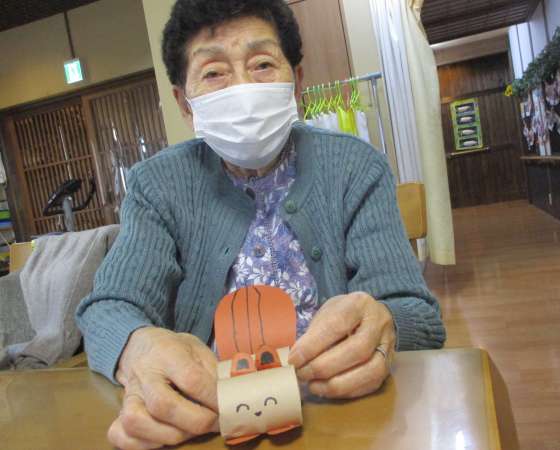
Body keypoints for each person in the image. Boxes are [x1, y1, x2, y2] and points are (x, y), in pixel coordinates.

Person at [76, 1, 446, 449]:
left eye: (263, 64)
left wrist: (386, 324)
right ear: (184, 103)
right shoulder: (158, 185)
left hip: (348, 419)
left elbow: (417, 313)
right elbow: (109, 307)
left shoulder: (355, 167)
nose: (243, 88)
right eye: (214, 72)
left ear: (297, 82)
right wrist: (137, 346)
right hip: (208, 425)